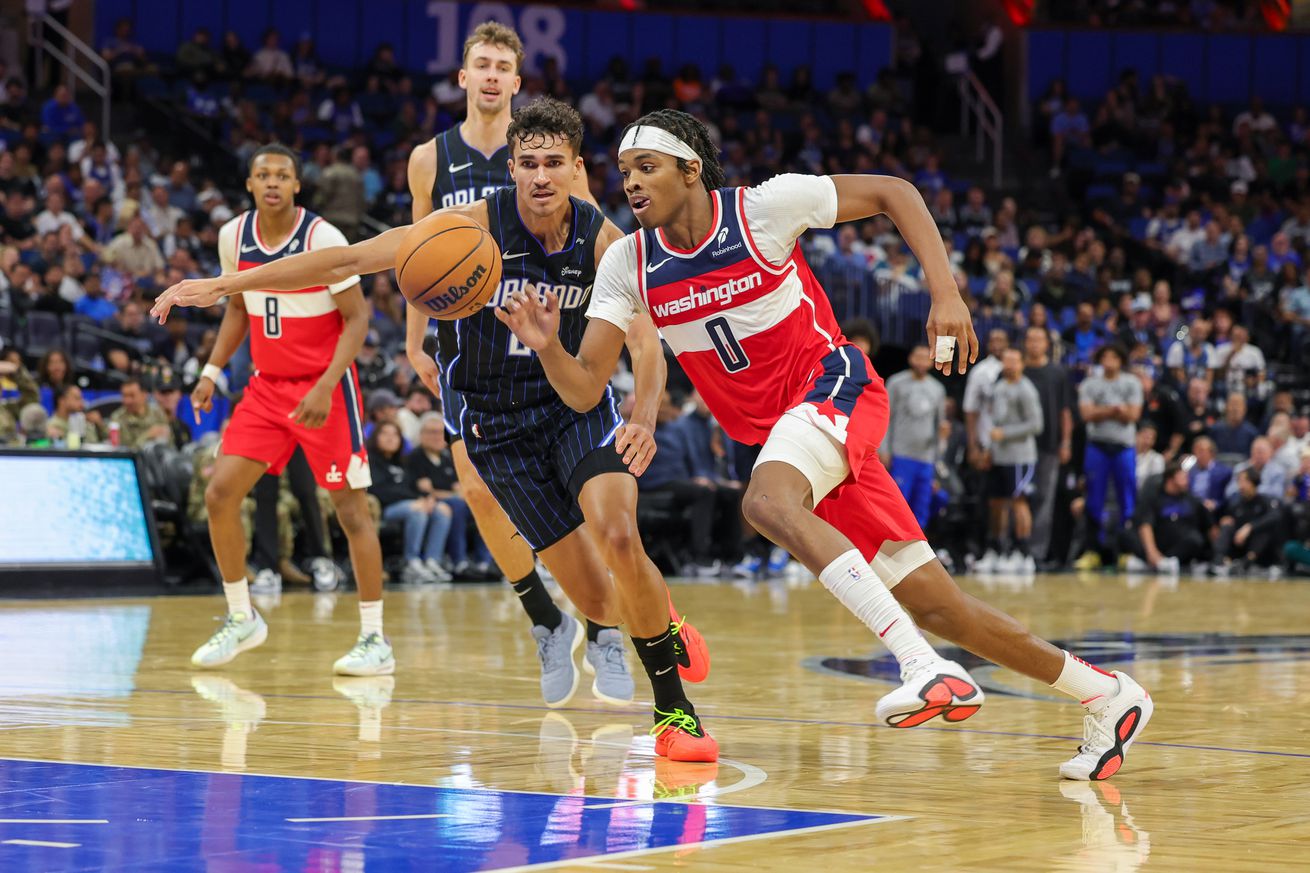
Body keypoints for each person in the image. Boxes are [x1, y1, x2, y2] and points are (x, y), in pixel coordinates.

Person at [497, 108, 1151, 780]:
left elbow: (896, 192)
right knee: (937, 602)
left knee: (765, 503)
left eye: (646, 168)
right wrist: (548, 345)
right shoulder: (629, 263)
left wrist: (945, 292)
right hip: (794, 440)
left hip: (834, 387)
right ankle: (1106, 694)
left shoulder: (763, 209)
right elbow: (583, 390)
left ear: (690, 169)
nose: (630, 184)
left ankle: (925, 668)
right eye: (624, 173)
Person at [151, 101, 710, 747]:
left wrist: (642, 416)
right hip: (496, 422)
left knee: (618, 532)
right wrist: (227, 285)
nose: (540, 176)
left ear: (577, 169)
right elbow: (345, 262)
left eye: (554, 162)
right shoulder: (463, 226)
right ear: (511, 167)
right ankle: (649, 620)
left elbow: (645, 341)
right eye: (527, 162)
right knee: (598, 601)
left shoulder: (606, 243)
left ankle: (674, 708)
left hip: (574, 407)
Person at [401, 24, 661, 703]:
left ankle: (607, 626)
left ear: (518, 82)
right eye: (479, 64)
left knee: (600, 520)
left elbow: (606, 256)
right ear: (462, 77)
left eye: (502, 67)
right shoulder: (431, 159)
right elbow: (412, 261)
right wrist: (415, 339)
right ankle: (546, 619)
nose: (490, 76)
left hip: (553, 356)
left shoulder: (546, 154)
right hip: (474, 359)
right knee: (481, 493)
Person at [183, 144, 391, 678]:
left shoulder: (324, 238)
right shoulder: (234, 235)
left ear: (298, 185)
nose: (272, 182)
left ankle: (374, 638)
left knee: (350, 511)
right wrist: (210, 371)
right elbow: (236, 307)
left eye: (283, 174)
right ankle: (241, 616)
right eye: (262, 174)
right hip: (265, 388)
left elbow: (358, 319)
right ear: (250, 184)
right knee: (219, 493)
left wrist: (325, 385)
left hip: (324, 388)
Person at [1074, 345, 1143, 570]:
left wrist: (1101, 411)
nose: (1109, 360)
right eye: (1105, 356)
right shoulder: (1090, 384)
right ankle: (1092, 551)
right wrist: (1114, 411)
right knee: (1093, 499)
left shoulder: (1131, 383)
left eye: (1114, 355)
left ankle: (1127, 552)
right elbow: (1086, 414)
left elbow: (1133, 415)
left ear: (1121, 360)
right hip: (1097, 446)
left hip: (1123, 447)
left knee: (1127, 499)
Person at [980, 348, 1044, 574]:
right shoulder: (998, 387)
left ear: (1021, 364)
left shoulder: (1026, 389)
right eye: (1006, 361)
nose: (1009, 365)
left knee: (1019, 503)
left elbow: (1036, 425)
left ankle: (1023, 553)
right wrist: (988, 449)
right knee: (996, 503)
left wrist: (1005, 434)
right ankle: (998, 550)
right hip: (999, 456)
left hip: (1020, 457)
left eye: (1014, 361)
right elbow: (993, 424)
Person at [368, 420, 453, 583]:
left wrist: (426, 499)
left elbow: (414, 487)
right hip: (384, 509)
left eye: (395, 435)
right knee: (418, 511)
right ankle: (411, 562)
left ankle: (432, 561)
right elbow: (378, 491)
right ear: (375, 437)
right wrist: (417, 501)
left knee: (442, 509)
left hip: (410, 504)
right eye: (385, 434)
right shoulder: (371, 460)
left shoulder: (403, 461)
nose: (390, 438)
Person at [1022, 324, 1073, 564]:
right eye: (1030, 339)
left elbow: (1065, 411)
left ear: (1046, 344)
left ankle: (1036, 553)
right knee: (1018, 499)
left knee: (1044, 500)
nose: (1033, 344)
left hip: (1049, 446)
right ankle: (1016, 550)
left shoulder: (1058, 373)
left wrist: (1066, 442)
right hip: (1018, 448)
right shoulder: (1016, 370)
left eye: (1038, 340)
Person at [883, 345, 945, 530]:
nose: (921, 361)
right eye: (917, 357)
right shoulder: (896, 382)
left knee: (921, 506)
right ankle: (891, 546)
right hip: (901, 453)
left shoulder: (937, 389)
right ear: (910, 358)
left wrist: (938, 457)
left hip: (925, 457)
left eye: (925, 358)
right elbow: (886, 416)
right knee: (897, 504)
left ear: (932, 362)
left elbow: (939, 426)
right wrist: (884, 450)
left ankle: (917, 552)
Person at [1122, 460, 1209, 575]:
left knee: (1195, 539)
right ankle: (1155, 562)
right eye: (1183, 477)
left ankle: (1157, 563)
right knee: (1126, 534)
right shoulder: (1153, 495)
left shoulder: (1190, 499)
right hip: (1155, 540)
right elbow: (1145, 525)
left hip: (1176, 547)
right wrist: (1152, 553)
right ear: (1170, 478)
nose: (1187, 480)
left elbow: (1208, 525)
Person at [110, 377, 171, 449]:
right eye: (124, 396)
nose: (127, 401)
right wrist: (148, 435)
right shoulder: (117, 419)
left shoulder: (158, 413)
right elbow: (124, 450)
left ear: (144, 395)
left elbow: (169, 443)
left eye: (132, 396)